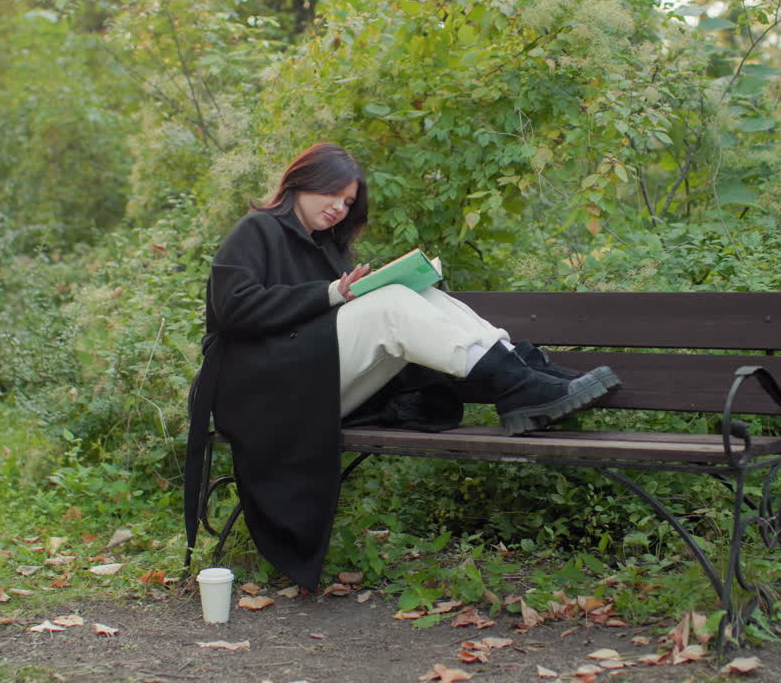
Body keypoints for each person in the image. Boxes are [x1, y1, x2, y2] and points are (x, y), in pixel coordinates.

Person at [184, 142, 620, 590]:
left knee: (421, 293)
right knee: (392, 302)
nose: (339, 208)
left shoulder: (327, 248)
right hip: (260, 395)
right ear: (301, 182)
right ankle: (517, 383)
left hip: (309, 385)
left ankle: (524, 379)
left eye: (348, 203)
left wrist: (351, 290)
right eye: (332, 195)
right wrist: (333, 293)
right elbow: (233, 308)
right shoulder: (257, 229)